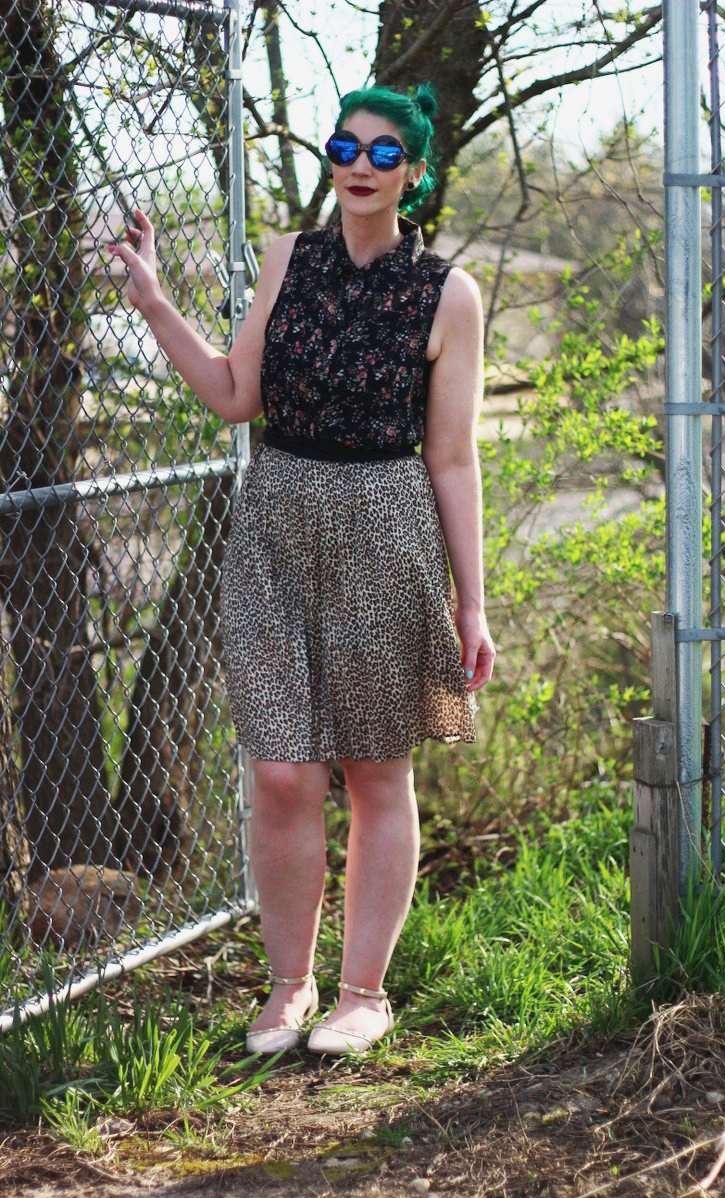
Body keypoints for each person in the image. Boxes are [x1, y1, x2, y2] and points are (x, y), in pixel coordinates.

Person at [110, 82, 495, 1057]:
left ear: (412, 173)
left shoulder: (448, 294)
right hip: (275, 518)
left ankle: (362, 993)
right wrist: (155, 304)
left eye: (381, 153)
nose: (358, 166)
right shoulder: (287, 259)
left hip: (384, 524)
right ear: (329, 158)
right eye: (344, 146)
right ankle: (288, 988)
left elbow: (451, 458)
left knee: (373, 767)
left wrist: (471, 602)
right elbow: (235, 395)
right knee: (281, 772)